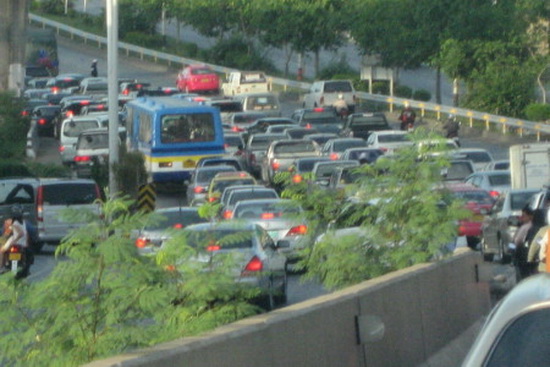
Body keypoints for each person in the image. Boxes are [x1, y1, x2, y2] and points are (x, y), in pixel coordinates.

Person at [0, 205, 32, 278]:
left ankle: (1, 267)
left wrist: (14, 240)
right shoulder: (23, 222)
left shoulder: (13, 222)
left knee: (1, 251)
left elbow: (20, 233)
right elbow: (26, 233)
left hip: (16, 242)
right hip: (22, 243)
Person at [512, 206, 534, 282]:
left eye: (524, 216)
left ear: (530, 216)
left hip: (524, 257)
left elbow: (517, 241)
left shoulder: (525, 227)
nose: (522, 218)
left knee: (523, 277)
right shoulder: (542, 226)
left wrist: (511, 247)